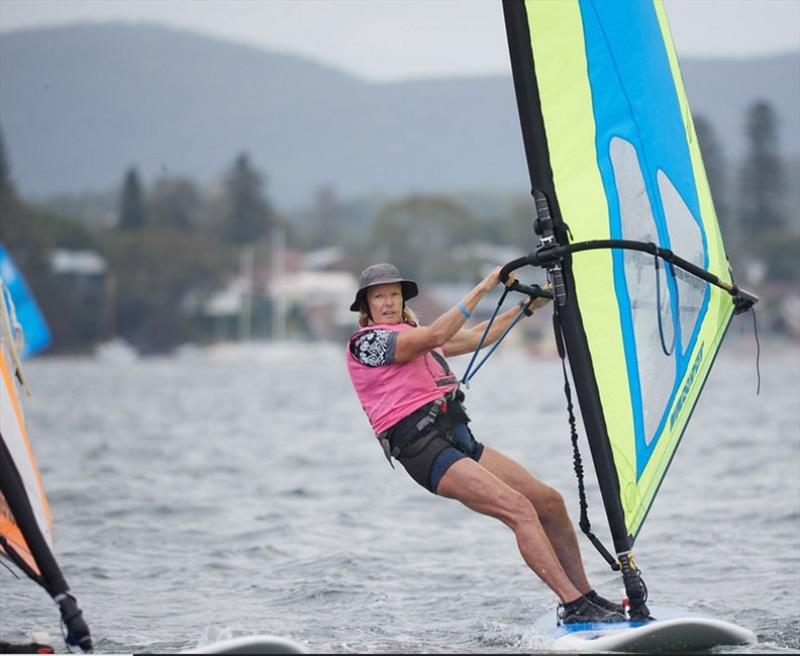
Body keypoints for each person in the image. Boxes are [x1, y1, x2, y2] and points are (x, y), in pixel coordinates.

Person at [345, 262, 627, 624]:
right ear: (366, 308)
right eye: (378, 297)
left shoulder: (412, 333)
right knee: (519, 509)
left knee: (549, 503)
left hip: (458, 439)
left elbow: (478, 334)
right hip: (423, 448)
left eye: (394, 295)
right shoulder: (368, 343)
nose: (388, 302)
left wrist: (524, 308)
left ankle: (587, 597)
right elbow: (433, 338)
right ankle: (573, 606)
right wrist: (486, 285)